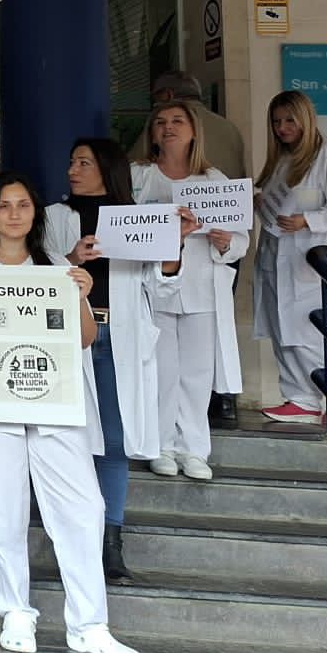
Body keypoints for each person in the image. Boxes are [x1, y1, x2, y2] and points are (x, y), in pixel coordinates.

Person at [0, 173, 141, 653]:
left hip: (53, 403)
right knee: (4, 510)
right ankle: (16, 613)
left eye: (22, 205)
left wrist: (81, 292)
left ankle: (89, 625)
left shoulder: (55, 267)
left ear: (35, 214)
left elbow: (85, 338)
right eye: (4, 205)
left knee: (83, 508)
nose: (13, 213)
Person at [44, 139, 171, 584]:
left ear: (106, 170)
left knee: (114, 442)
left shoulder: (137, 218)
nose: (72, 169)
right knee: (70, 439)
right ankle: (75, 536)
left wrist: (174, 252)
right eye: (72, 161)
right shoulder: (54, 216)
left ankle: (110, 541)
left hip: (119, 335)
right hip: (71, 336)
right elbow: (34, 273)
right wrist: (70, 258)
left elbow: (162, 290)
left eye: (83, 162)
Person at [134, 102, 245, 479]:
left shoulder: (216, 181)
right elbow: (126, 231)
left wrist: (226, 240)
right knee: (161, 371)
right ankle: (161, 445)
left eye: (177, 121)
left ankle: (194, 450)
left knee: (197, 374)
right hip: (154, 287)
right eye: (160, 122)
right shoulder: (140, 177)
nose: (168, 127)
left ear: (194, 130)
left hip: (202, 289)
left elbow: (242, 243)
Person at [255, 90, 327, 421]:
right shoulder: (280, 159)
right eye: (276, 122)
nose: (282, 128)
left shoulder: (326, 154)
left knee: (312, 328)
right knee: (282, 327)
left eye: (289, 120)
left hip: (309, 256)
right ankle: (299, 396)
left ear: (305, 119)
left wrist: (307, 221)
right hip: (275, 253)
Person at [129, 71, 248, 178]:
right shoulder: (230, 127)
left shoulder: (140, 173)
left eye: (155, 96)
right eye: (160, 122)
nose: (168, 127)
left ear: (168, 95)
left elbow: (127, 166)